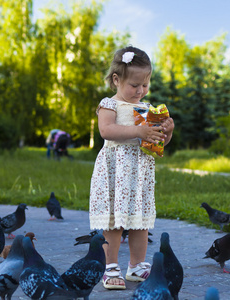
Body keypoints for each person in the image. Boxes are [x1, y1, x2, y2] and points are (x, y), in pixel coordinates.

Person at [89, 46, 174, 290]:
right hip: (115, 171)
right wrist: (138, 130)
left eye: (145, 85)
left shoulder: (148, 109)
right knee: (114, 221)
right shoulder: (110, 105)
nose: (140, 91)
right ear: (116, 79)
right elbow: (106, 131)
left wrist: (166, 132)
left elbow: (156, 143)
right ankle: (110, 265)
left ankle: (137, 265)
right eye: (134, 85)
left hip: (140, 174)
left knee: (140, 221)